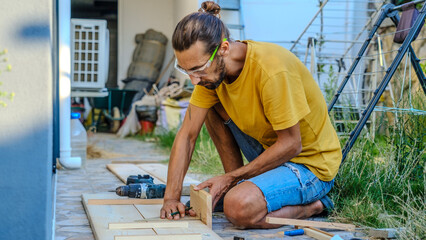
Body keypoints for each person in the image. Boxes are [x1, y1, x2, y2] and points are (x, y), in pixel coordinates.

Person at [160, 1, 342, 229]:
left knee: (237, 208)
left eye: (197, 69)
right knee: (209, 106)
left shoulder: (272, 70)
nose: (193, 80)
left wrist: (231, 179)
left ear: (224, 49)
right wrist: (171, 198)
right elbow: (187, 135)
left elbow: (291, 145)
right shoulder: (210, 76)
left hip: (309, 164)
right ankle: (237, 185)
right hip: (271, 152)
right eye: (186, 71)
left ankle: (315, 206)